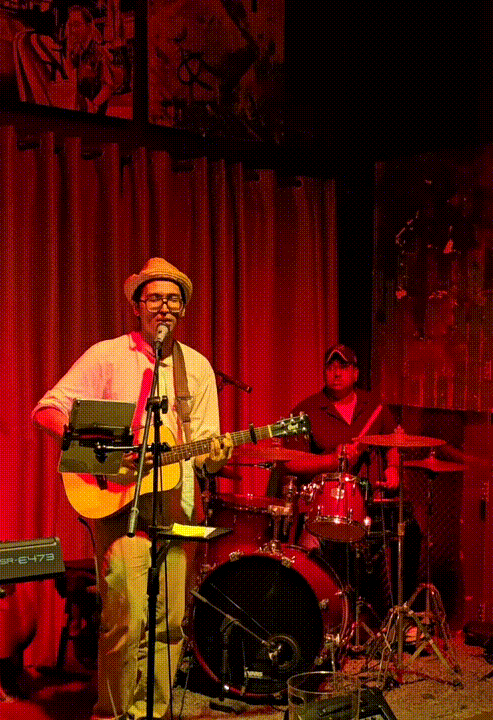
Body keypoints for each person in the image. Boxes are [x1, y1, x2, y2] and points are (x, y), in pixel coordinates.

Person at [33, 257, 232, 720]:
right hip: (116, 501)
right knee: (125, 616)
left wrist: (215, 454)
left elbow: (203, 444)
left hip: (175, 503)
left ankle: (154, 712)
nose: (164, 307)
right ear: (138, 307)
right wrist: (94, 448)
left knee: (169, 623)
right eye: (155, 298)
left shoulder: (195, 367)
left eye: (173, 300)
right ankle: (113, 713)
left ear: (182, 310)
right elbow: (47, 409)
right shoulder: (107, 355)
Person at [281, 344, 414, 619]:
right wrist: (333, 460)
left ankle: (396, 615)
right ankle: (320, 617)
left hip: (366, 499)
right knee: (311, 553)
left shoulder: (374, 407)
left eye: (343, 367)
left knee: (409, 531)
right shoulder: (307, 411)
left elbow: (392, 443)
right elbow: (291, 462)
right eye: (330, 367)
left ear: (355, 373)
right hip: (323, 502)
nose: (336, 373)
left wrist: (392, 468)